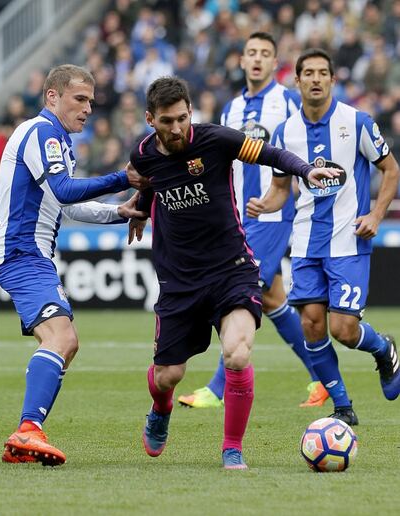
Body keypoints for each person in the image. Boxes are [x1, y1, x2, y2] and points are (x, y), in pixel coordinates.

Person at [129, 76, 340, 469]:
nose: (176, 128)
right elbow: (147, 182)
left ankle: (232, 448)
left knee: (237, 355)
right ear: (150, 119)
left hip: (232, 268)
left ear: (191, 111)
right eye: (166, 121)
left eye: (182, 118)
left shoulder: (217, 139)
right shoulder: (142, 153)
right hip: (179, 280)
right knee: (166, 377)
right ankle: (160, 410)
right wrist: (140, 209)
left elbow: (272, 154)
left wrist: (305, 170)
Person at [0, 64, 147, 466]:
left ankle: (25, 435)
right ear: (52, 97)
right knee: (62, 338)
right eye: (80, 99)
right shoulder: (42, 132)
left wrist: (118, 213)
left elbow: (65, 203)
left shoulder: (56, 139)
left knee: (65, 342)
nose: (88, 108)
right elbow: (63, 189)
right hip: (21, 251)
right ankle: (28, 429)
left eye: (92, 101)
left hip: (30, 253)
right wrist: (121, 179)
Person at [247, 48, 400, 425]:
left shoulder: (357, 121)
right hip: (305, 243)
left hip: (349, 241)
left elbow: (391, 169)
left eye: (322, 73)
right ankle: (343, 407)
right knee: (312, 324)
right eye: (308, 73)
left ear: (333, 79)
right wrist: (266, 204)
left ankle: (384, 349)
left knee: (343, 330)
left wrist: (377, 214)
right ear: (296, 81)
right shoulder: (286, 132)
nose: (315, 79)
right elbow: (281, 188)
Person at [177, 32, 329, 411]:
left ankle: (217, 387)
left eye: (265, 53)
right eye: (251, 53)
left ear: (274, 62)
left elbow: (306, 144)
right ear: (241, 61)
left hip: (274, 214)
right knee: (273, 298)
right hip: (240, 219)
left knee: (239, 293)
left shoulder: (288, 101)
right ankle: (322, 378)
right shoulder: (230, 108)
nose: (257, 59)